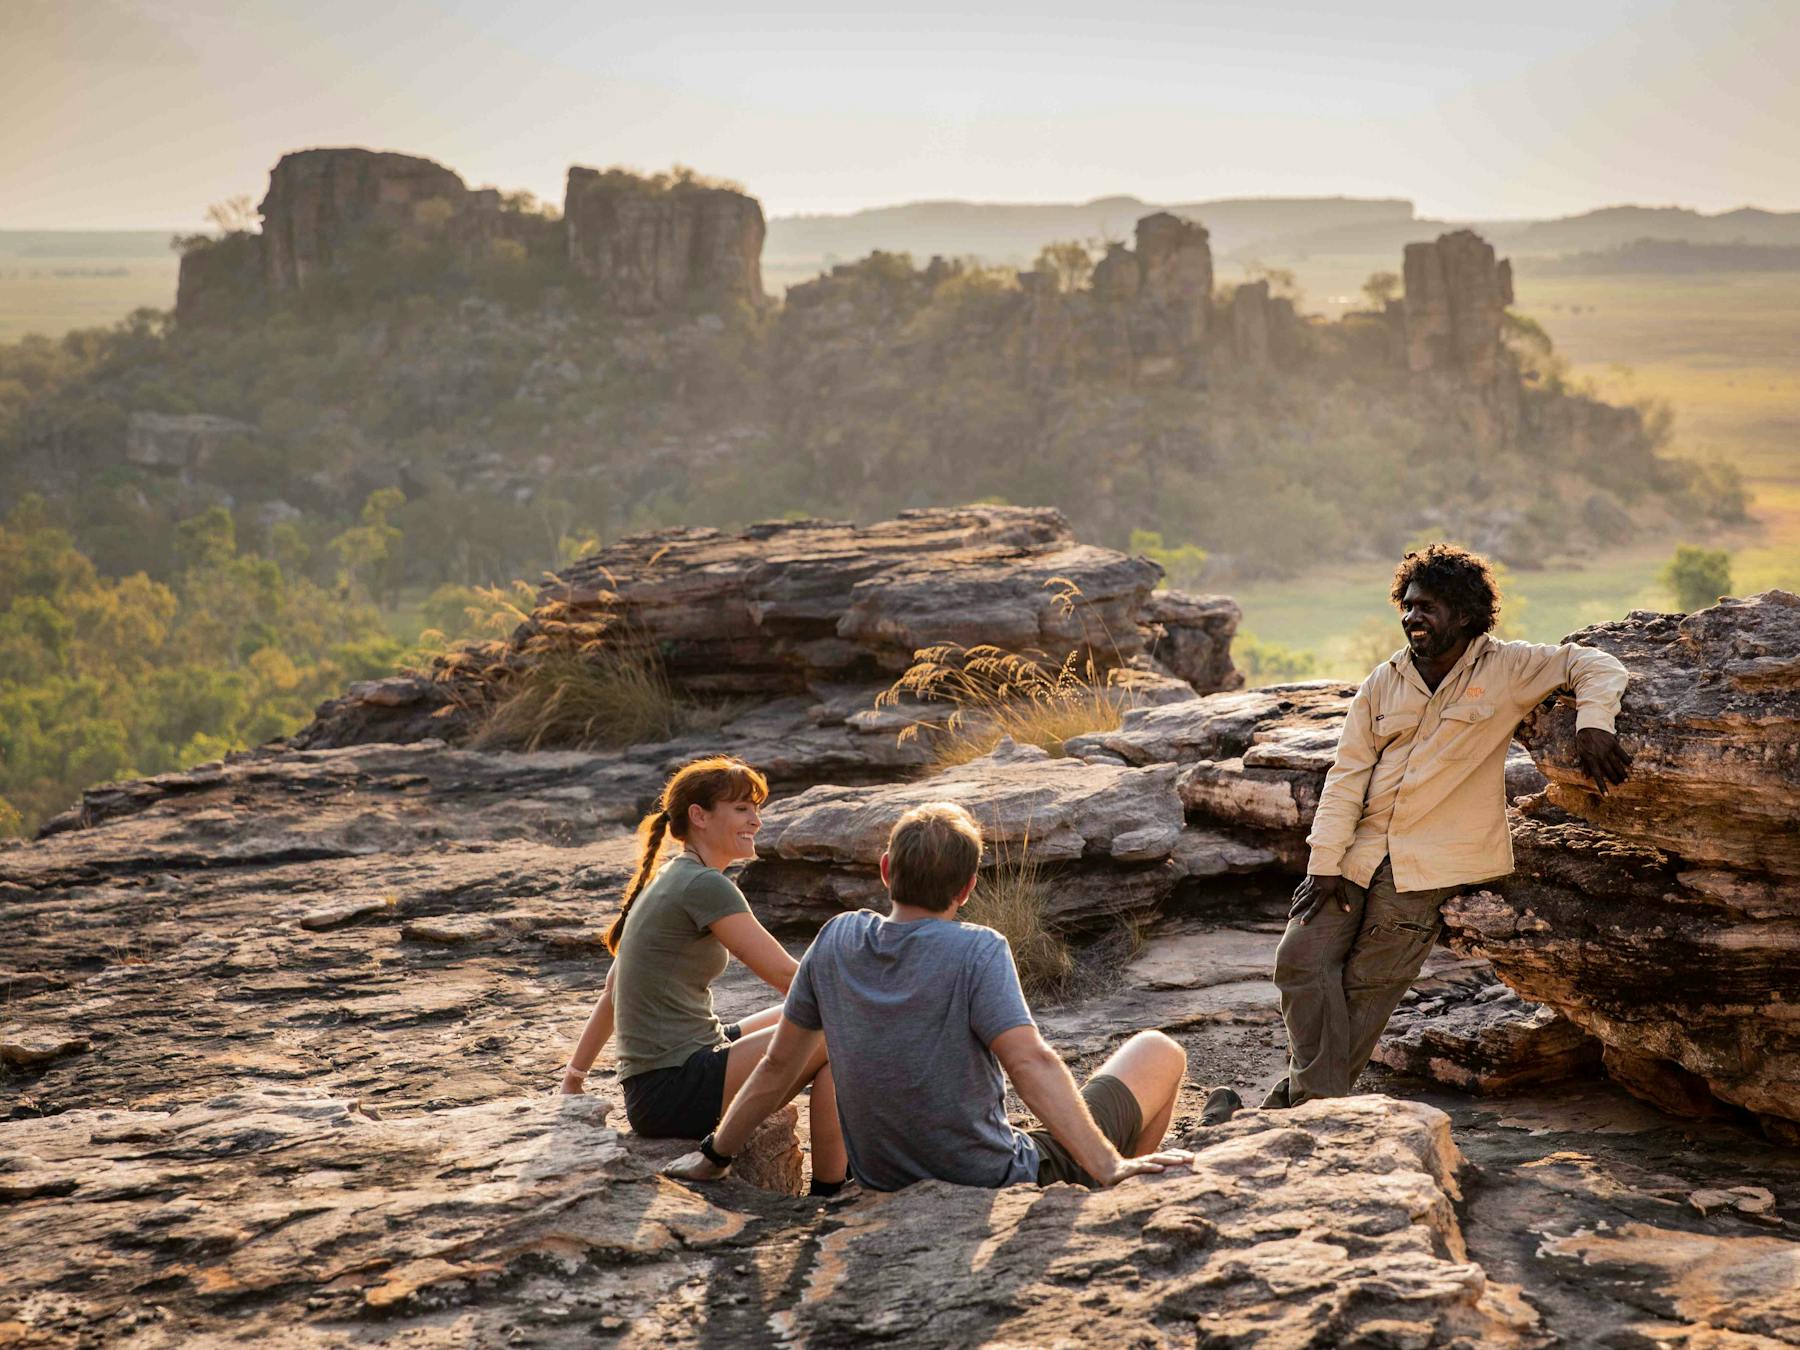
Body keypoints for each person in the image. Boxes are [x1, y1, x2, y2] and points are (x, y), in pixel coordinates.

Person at [666, 802, 1237, 1192]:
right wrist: (1108, 1163)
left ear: (885, 870)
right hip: (988, 1175)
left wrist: (714, 1156)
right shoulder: (978, 950)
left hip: (885, 1177)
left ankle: (1116, 1169)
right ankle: (1112, 1184)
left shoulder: (836, 938)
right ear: (967, 890)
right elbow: (1030, 1061)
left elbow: (776, 1065)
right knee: (1160, 1049)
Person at [1263, 543, 1634, 1110]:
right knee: (1300, 962)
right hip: (1356, 854)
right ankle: (1306, 1106)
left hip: (1427, 866)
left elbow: (1595, 663)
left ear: (1464, 614)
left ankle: (1298, 1112)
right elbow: (1345, 777)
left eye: (1427, 607)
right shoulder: (1382, 682)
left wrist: (1593, 722)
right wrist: (1325, 862)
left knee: (1365, 991)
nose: (1413, 617)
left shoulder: (1508, 668)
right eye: (1407, 605)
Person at [560, 755, 848, 1195]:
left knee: (809, 1013)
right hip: (674, 1088)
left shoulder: (670, 879)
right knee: (833, 1029)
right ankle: (832, 1190)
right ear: (699, 816)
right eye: (742, 809)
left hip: (661, 1081)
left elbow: (613, 989)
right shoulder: (705, 886)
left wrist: (574, 1078)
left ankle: (836, 1177)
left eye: (756, 808)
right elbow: (789, 977)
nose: (756, 820)